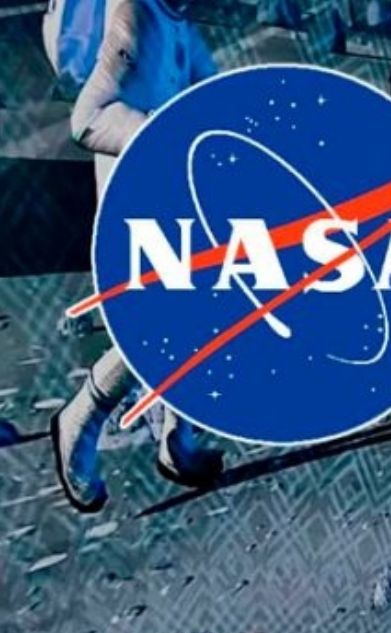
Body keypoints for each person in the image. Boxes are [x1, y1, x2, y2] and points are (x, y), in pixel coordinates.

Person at [45, 0, 226, 513]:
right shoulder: (135, 20)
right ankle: (79, 421)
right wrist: (165, 137)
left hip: (170, 202)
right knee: (160, 331)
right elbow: (87, 119)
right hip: (139, 211)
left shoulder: (173, 21)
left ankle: (177, 439)